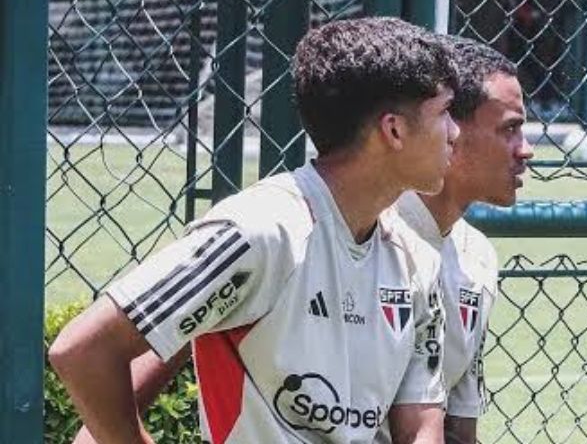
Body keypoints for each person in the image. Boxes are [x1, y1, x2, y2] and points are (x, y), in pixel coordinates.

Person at [66, 36, 534, 444]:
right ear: (393, 130)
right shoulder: (264, 229)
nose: (451, 133)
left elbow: (429, 427)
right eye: (443, 115)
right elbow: (89, 351)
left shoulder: (424, 258)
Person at [391, 36, 533, 444]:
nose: (526, 150)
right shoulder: (368, 234)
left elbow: (459, 427)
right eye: (510, 129)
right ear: (449, 127)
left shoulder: (478, 257)